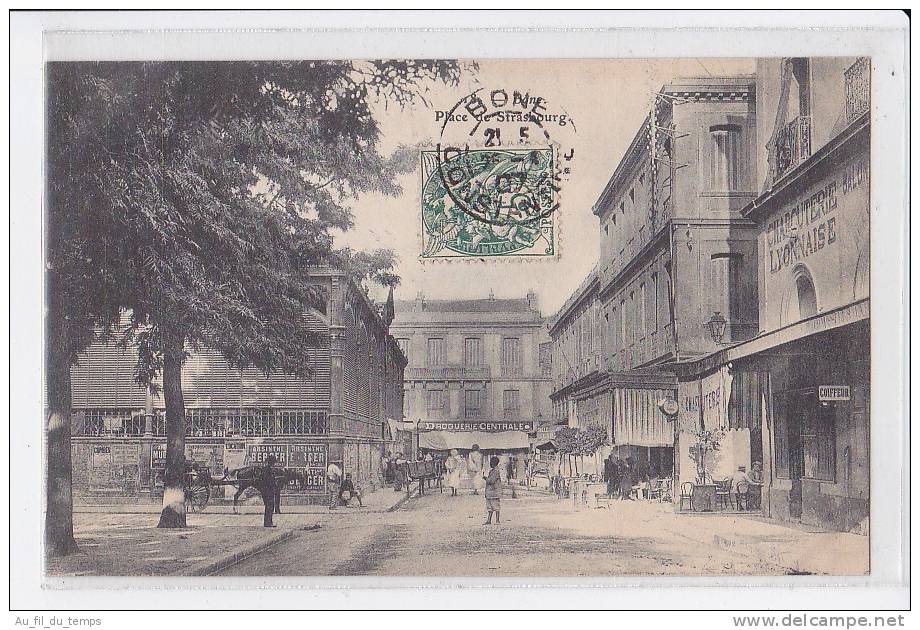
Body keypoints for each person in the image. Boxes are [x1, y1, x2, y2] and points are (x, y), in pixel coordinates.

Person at [259, 455, 278, 527]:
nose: (274, 464)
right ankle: (268, 523)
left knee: (269, 507)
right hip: (267, 491)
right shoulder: (267, 469)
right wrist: (273, 482)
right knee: (269, 507)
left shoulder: (267, 469)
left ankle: (268, 522)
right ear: (271, 462)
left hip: (267, 491)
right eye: (273, 462)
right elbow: (267, 480)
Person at [484, 455, 502, 525]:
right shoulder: (493, 471)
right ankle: (489, 520)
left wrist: (485, 478)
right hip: (490, 492)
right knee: (490, 507)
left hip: (494, 492)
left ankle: (497, 520)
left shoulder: (496, 471)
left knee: (496, 506)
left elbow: (491, 481)